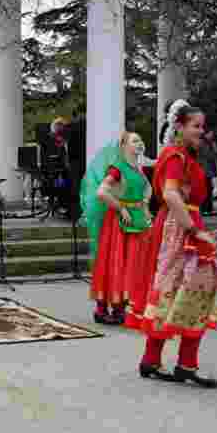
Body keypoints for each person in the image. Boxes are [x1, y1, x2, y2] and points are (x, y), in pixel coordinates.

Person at [127, 101, 217, 388]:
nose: (201, 131)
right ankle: (183, 364)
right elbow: (170, 195)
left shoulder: (182, 156)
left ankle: (154, 360)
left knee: (179, 292)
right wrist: (195, 231)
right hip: (180, 229)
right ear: (179, 127)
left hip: (180, 226)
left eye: (202, 126)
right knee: (195, 291)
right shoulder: (176, 156)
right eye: (196, 126)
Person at [80, 132, 153, 325]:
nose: (140, 143)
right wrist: (121, 208)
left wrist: (145, 211)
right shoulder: (117, 168)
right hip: (120, 222)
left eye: (140, 139)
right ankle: (109, 307)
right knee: (117, 261)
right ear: (124, 146)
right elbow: (102, 192)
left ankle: (126, 305)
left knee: (134, 263)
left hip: (137, 220)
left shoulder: (138, 169)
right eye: (135, 140)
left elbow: (144, 193)